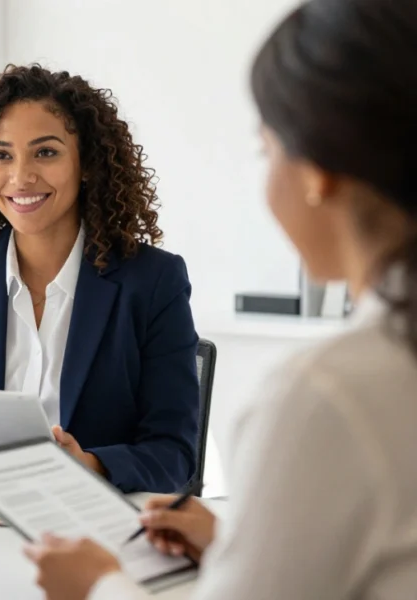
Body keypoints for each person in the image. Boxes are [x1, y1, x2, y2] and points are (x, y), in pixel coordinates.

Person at [24, 0, 417, 597]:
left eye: (267, 149)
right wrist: (242, 543)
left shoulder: (326, 394)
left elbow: (172, 449)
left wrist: (98, 586)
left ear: (318, 171)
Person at [0, 65, 201, 494]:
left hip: (91, 527)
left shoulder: (152, 281)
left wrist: (89, 465)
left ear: (86, 164)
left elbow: (175, 454)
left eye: (45, 152)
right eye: (2, 155)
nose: (21, 177)